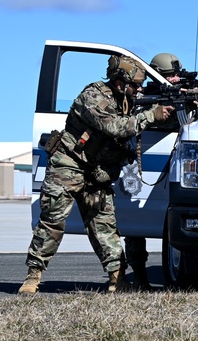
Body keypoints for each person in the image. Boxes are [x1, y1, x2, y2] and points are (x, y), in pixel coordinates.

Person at [18, 56, 174, 295]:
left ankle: (117, 280)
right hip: (68, 164)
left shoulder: (127, 99)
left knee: (104, 226)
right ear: (120, 83)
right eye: (136, 85)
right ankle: (33, 277)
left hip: (96, 171)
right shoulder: (93, 96)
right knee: (52, 221)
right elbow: (116, 127)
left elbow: (156, 115)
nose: (140, 90)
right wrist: (152, 115)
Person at [123, 52, 184, 290]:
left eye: (178, 74)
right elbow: (140, 121)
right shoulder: (143, 98)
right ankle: (138, 276)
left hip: (174, 173)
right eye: (170, 75)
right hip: (140, 170)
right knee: (134, 225)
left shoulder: (183, 94)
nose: (176, 79)